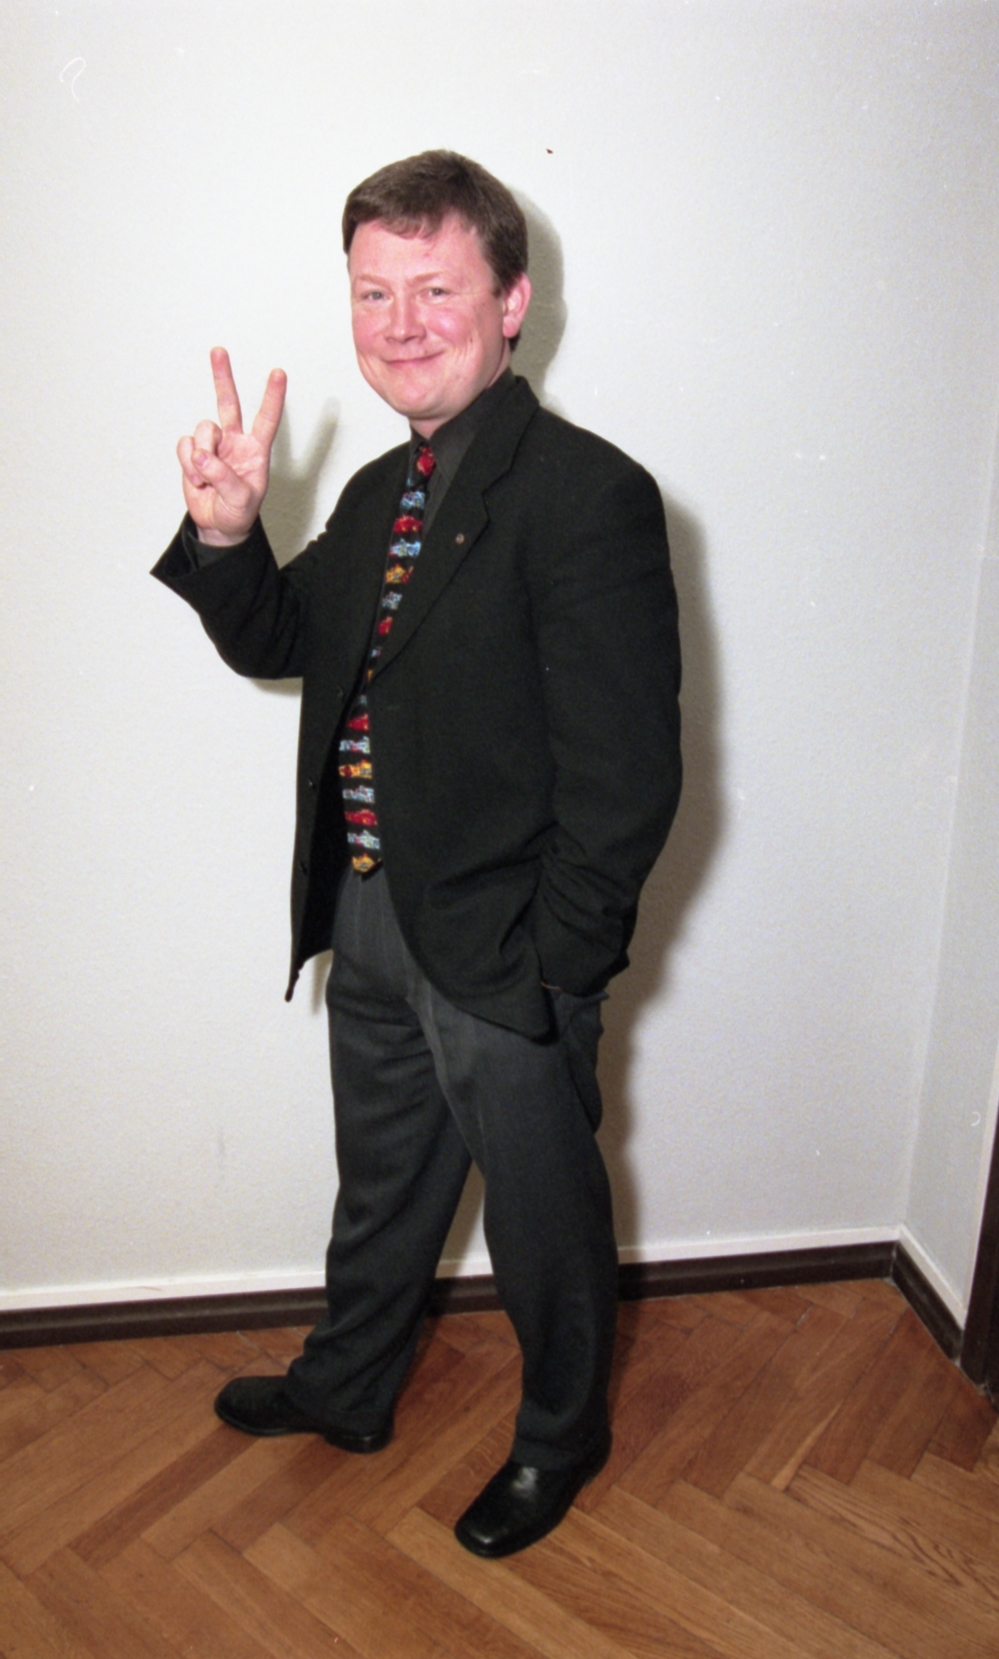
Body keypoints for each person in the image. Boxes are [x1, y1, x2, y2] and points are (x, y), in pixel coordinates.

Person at [153, 150, 681, 1558]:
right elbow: (287, 639)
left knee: (544, 1221)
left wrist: (555, 969)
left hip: (507, 951)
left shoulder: (590, 495)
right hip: (374, 913)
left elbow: (628, 780)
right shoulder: (382, 485)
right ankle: (349, 1387)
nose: (401, 323)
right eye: (373, 293)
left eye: (436, 289)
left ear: (510, 303)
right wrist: (226, 535)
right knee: (383, 1182)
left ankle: (559, 1440)